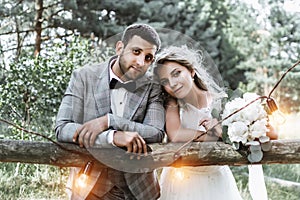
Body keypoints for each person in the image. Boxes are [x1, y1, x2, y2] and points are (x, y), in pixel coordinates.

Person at [55, 24, 165, 200]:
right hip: (89, 187)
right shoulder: (83, 77)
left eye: (148, 57)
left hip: (139, 190)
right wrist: (111, 137)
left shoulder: (153, 87)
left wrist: (109, 121)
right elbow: (63, 128)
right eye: (136, 52)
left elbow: (156, 132)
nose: (140, 62)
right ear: (120, 47)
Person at [153, 45, 243, 200]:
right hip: (181, 182)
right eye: (165, 81)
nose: (173, 83)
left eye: (177, 73)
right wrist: (207, 134)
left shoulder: (219, 102)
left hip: (215, 179)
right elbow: (176, 134)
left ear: (192, 71)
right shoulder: (173, 104)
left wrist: (221, 130)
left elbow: (233, 134)